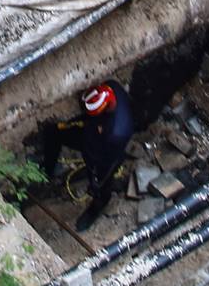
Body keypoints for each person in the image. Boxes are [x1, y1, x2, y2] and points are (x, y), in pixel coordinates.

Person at [39, 82, 136, 231]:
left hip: (102, 153)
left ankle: (97, 206)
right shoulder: (111, 87)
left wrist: (98, 179)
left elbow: (113, 159)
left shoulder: (117, 132)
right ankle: (46, 170)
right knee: (53, 134)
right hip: (89, 135)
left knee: (100, 185)